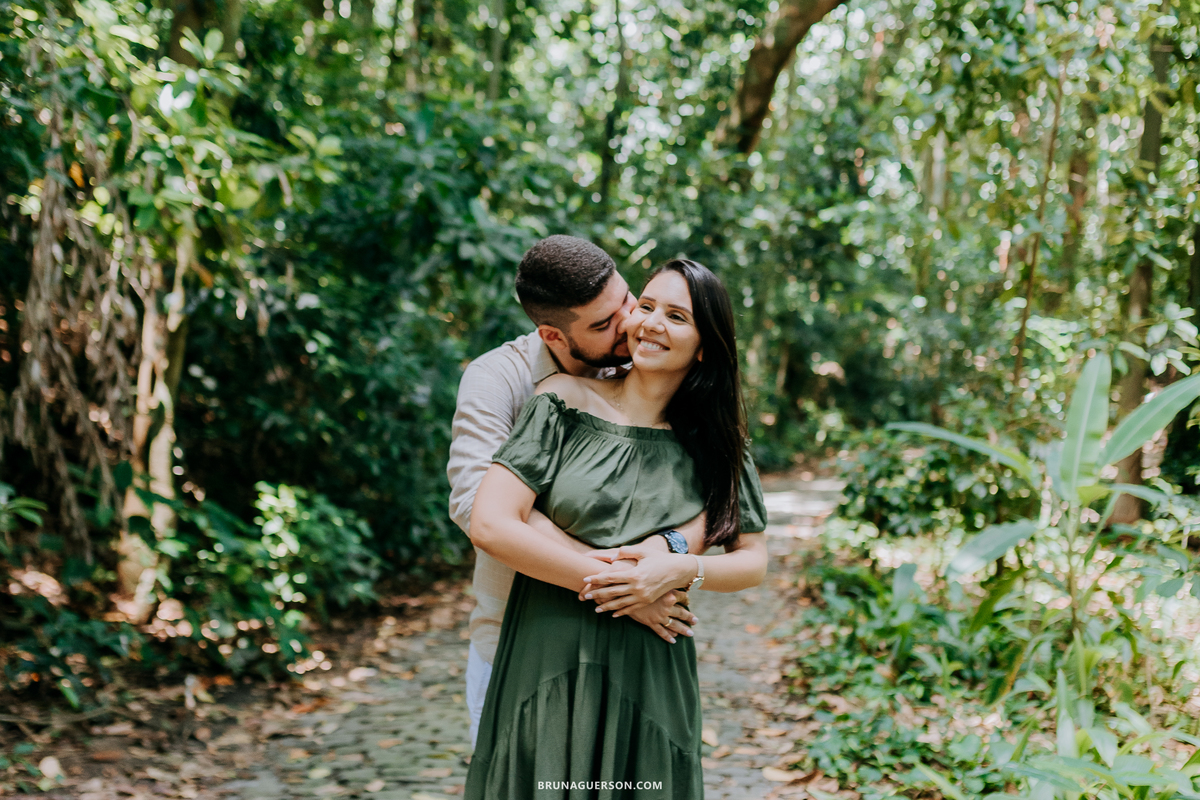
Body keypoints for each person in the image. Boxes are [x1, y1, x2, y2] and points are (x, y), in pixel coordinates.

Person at [464, 259, 769, 798]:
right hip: (547, 654)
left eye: (677, 315)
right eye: (647, 306)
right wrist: (624, 587)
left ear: (704, 347)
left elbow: (752, 561)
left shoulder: (719, 445)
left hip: (651, 668)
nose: (649, 322)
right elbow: (489, 522)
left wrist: (680, 568)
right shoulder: (561, 399)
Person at [447, 236, 710, 747]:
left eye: (628, 301)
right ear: (553, 334)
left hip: (633, 651)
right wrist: (622, 586)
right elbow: (477, 507)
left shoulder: (647, 364)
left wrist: (670, 551)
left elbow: (718, 491)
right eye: (603, 323)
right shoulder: (499, 380)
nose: (631, 322)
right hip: (519, 640)